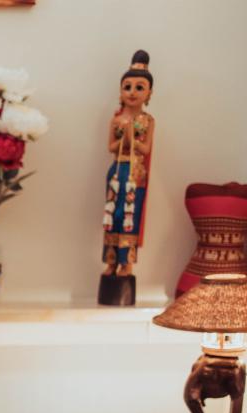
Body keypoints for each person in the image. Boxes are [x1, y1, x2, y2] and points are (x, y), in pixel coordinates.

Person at [102, 49, 155, 277]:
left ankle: (128, 263)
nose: (132, 93)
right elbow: (111, 148)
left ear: (149, 92)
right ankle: (112, 261)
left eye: (139, 87)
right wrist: (124, 136)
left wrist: (131, 136)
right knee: (112, 216)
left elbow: (145, 149)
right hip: (117, 171)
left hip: (136, 173)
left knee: (129, 217)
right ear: (121, 90)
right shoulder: (116, 119)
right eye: (128, 87)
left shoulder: (148, 121)